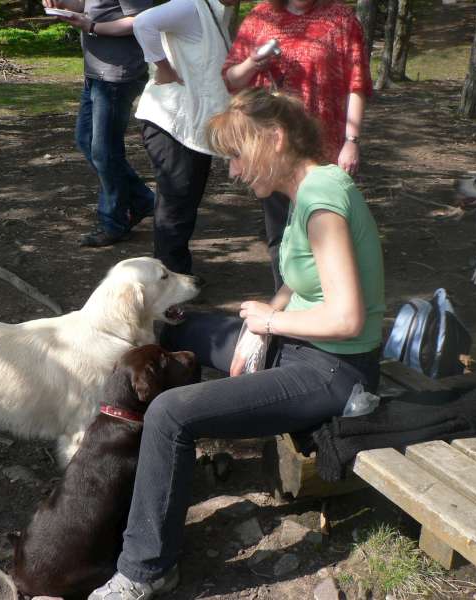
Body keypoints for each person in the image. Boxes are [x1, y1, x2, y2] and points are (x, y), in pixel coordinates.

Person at [88, 88, 384, 600]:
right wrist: (260, 328)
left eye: (238, 155)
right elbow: (301, 281)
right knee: (177, 330)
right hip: (298, 345)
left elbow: (347, 318)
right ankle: (152, 466)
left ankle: (146, 568)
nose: (234, 170)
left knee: (171, 414)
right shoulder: (306, 190)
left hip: (334, 371)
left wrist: (272, 323)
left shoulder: (322, 200)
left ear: (276, 138)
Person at [222, 0, 372, 291]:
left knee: (324, 224)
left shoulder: (341, 18)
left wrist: (351, 141)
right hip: (268, 150)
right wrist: (252, 62)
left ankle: (329, 296)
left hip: (322, 146)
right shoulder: (260, 17)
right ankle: (287, 301)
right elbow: (231, 79)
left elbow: (357, 84)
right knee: (281, 232)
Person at [42, 0, 156, 248]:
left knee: (105, 152)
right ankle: (143, 200)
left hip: (117, 76)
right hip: (96, 73)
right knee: (86, 140)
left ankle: (114, 223)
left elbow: (141, 21)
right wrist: (60, 3)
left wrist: (92, 26)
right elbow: (82, 5)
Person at [130, 0, 233, 275]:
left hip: (192, 126)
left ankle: (173, 275)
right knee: (176, 206)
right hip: (172, 124)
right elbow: (143, 23)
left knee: (184, 203)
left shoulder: (217, 11)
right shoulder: (190, 6)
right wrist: (163, 68)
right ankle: (171, 278)